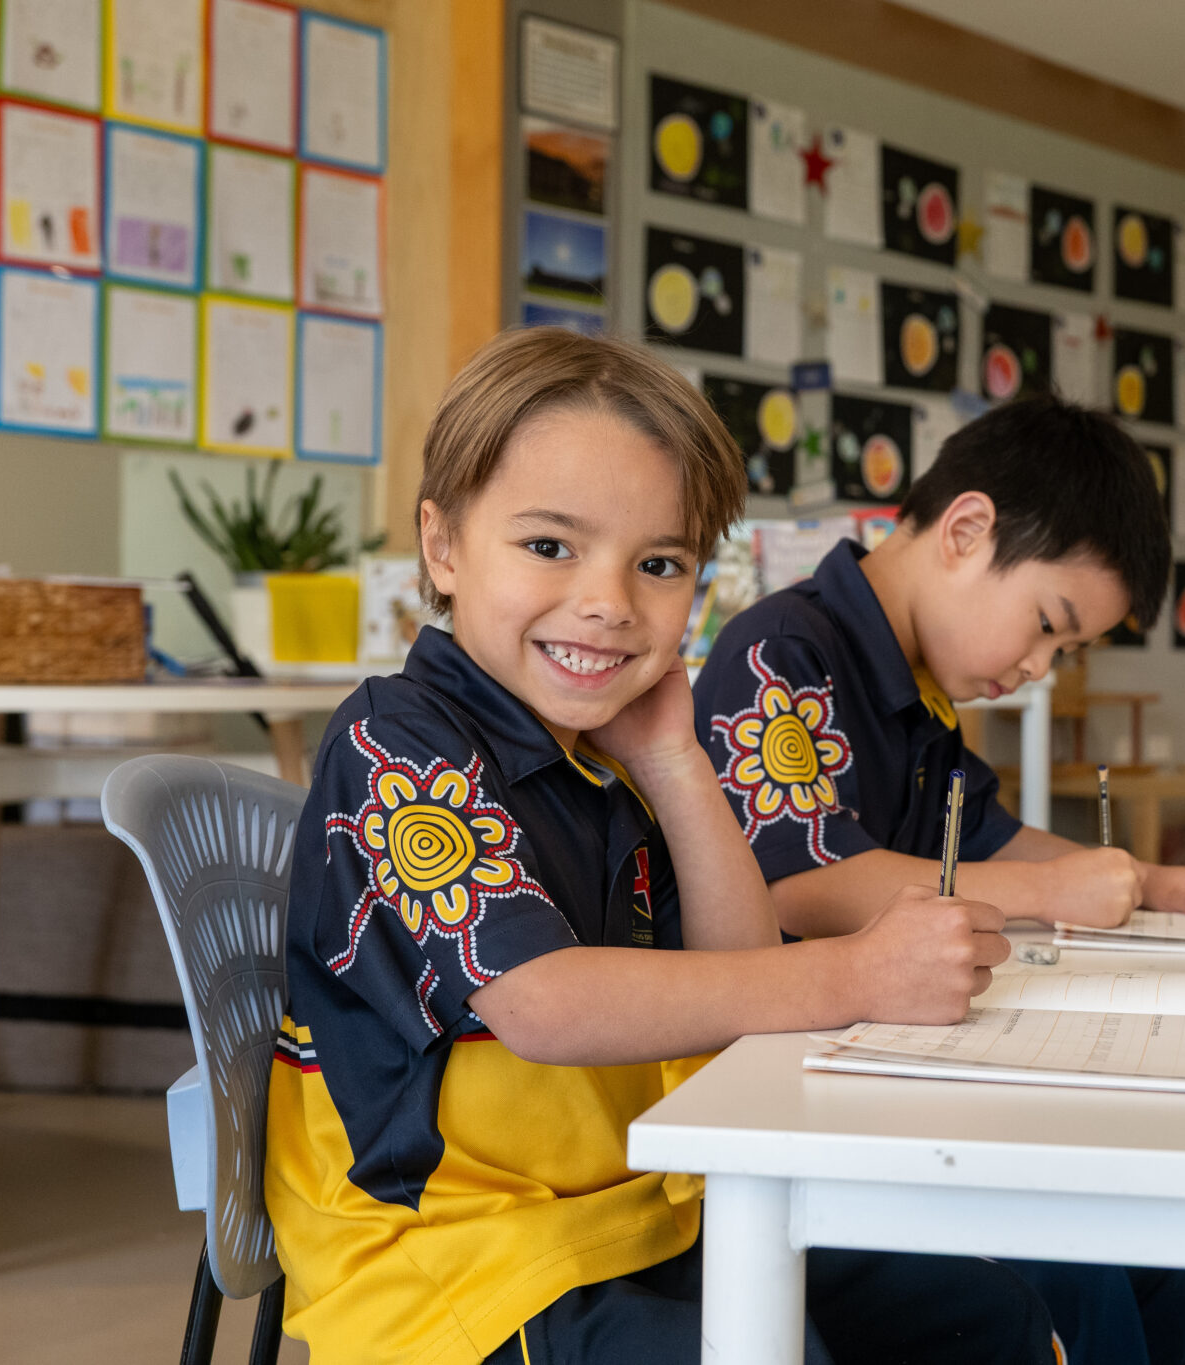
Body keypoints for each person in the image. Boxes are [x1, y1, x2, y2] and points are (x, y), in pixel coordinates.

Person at [264, 328, 1066, 1365]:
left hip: (635, 1211)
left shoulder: (611, 753)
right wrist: (856, 972)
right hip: (453, 1267)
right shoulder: (398, 740)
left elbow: (739, 971)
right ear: (443, 544)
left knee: (987, 1317)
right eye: (549, 547)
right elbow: (544, 1004)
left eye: (658, 565)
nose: (609, 602)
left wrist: (677, 763)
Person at [693, 393, 1185, 1364]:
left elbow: (989, 835)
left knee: (1158, 1228)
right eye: (1046, 626)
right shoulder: (781, 650)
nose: (1038, 667)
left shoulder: (918, 686)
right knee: (1075, 1259)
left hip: (894, 1059)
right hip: (786, 1086)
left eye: (1064, 651)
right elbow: (799, 879)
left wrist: (1147, 878)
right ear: (966, 530)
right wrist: (1052, 894)